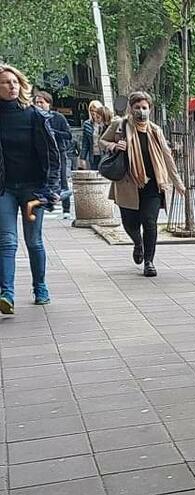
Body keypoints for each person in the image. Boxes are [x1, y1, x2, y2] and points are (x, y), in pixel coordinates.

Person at [101, 91, 185, 277]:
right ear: (131, 108)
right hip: (127, 184)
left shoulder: (155, 131)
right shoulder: (119, 125)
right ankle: (137, 243)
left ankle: (149, 261)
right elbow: (103, 140)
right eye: (137, 107)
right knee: (130, 224)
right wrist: (114, 146)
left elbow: (167, 157)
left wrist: (177, 182)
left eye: (144, 108)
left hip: (153, 185)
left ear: (150, 109)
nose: (141, 111)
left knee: (150, 222)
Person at [0, 63, 61, 314]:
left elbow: (54, 154)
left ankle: (40, 286)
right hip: (4, 189)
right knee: (6, 241)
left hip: (33, 190)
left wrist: (52, 187)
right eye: (5, 82)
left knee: (33, 240)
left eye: (14, 82)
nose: (11, 86)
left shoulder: (35, 115)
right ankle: (7, 294)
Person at [32, 90, 73, 220]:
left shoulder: (58, 117)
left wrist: (52, 132)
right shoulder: (33, 117)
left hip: (58, 152)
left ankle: (66, 209)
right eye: (37, 102)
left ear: (48, 103)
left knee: (62, 179)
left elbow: (68, 135)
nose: (39, 104)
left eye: (41, 102)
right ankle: (46, 203)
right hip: (40, 154)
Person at [80, 100, 106, 170]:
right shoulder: (87, 124)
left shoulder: (105, 123)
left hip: (104, 154)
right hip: (93, 155)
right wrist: (82, 158)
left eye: (95, 110)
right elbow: (85, 144)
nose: (93, 113)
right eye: (91, 110)